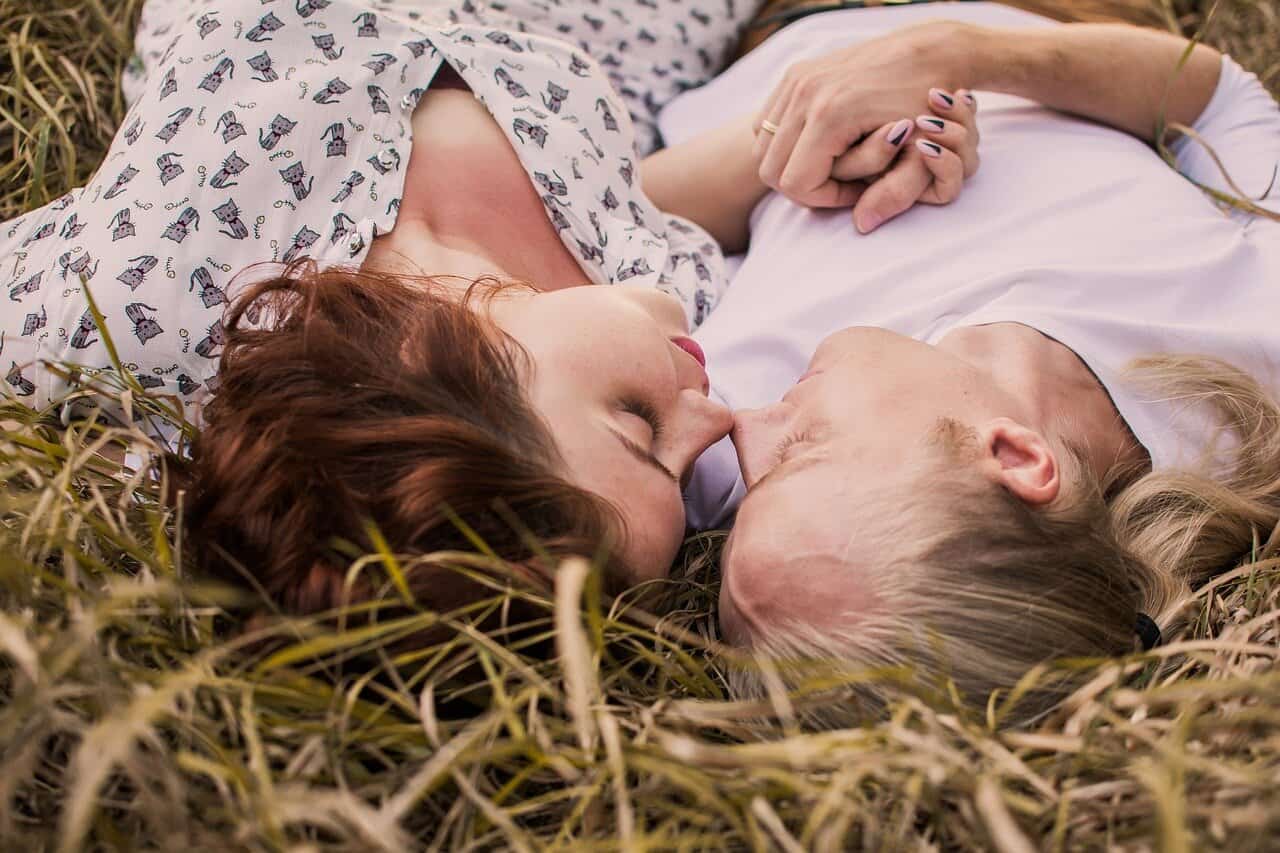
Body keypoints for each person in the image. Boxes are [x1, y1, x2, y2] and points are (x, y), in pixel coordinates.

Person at [0, 0, 971, 611]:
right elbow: (632, 189)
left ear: (439, 359)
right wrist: (814, 150)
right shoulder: (678, 307)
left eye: (638, 423)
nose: (716, 420)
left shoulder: (144, 293)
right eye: (680, 473)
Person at [662, 3, 1280, 721]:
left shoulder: (704, 448)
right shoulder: (1246, 353)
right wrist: (948, 54)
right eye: (802, 451)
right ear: (1015, 455)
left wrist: (799, 139)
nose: (742, 427)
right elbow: (1218, 99)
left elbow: (615, 202)